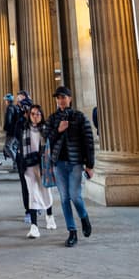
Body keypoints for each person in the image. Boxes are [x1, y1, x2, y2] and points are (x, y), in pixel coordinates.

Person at [45, 86, 95, 247]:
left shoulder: (80, 117)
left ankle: (84, 216)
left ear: (70, 99)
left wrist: (90, 165)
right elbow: (46, 139)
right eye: (58, 98)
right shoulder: (53, 119)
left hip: (75, 163)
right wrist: (58, 130)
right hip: (59, 163)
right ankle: (72, 232)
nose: (60, 100)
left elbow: (88, 141)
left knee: (75, 196)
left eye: (63, 97)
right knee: (65, 198)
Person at [19, 103, 56, 238]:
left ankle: (49, 215)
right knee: (33, 194)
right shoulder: (23, 128)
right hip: (29, 165)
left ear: (42, 115)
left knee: (46, 190)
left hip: (43, 165)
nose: (35, 116)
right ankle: (34, 227)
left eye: (38, 114)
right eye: (33, 114)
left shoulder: (46, 129)